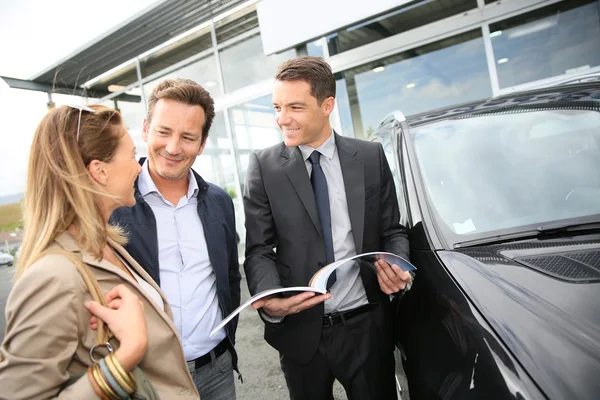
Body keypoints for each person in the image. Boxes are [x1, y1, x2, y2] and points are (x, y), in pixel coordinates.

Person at [0, 104, 199, 399]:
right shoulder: (53, 277)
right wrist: (127, 354)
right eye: (131, 155)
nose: (138, 166)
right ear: (99, 171)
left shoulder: (107, 244)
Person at [243, 56, 412, 400]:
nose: (282, 119)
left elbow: (392, 229)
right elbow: (259, 250)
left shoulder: (369, 157)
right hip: (301, 331)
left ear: (327, 105)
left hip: (367, 325)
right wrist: (271, 297)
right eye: (277, 107)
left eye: (294, 107)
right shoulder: (264, 166)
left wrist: (396, 263)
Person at [110, 78, 241, 399]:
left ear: (202, 142)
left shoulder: (220, 202)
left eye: (187, 137)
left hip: (217, 370)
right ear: (145, 129)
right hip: (145, 377)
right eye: (163, 132)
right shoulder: (112, 204)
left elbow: (229, 279)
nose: (172, 147)